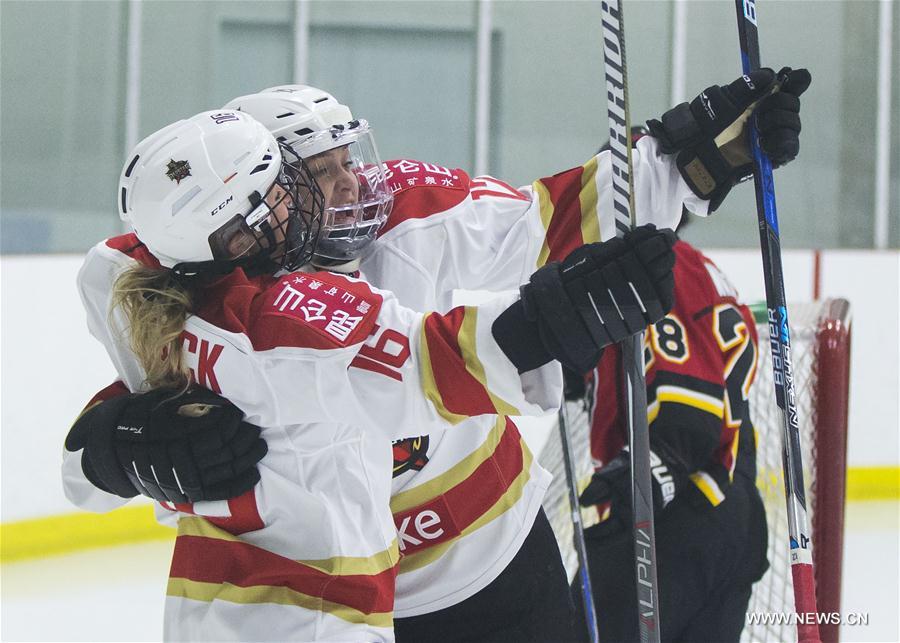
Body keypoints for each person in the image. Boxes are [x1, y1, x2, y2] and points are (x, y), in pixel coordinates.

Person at [65, 65, 808, 641]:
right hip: (348, 600)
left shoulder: (412, 213)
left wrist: (689, 165)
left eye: (347, 157)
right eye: (321, 173)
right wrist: (117, 441)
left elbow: (548, 217)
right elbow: (151, 374)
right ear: (265, 188)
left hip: (496, 563)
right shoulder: (198, 291)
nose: (353, 182)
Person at [569, 124, 781, 642]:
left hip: (673, 519)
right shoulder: (702, 268)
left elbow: (692, 405)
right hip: (731, 513)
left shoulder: (653, 270)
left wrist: (646, 476)